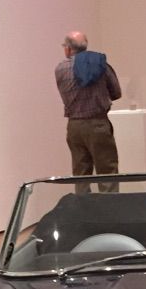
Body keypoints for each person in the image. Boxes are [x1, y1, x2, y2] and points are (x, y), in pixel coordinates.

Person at [55, 31, 122, 190]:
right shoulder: (100, 65)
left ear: (68, 49)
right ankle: (110, 205)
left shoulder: (60, 69)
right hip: (98, 124)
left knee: (81, 174)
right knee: (107, 172)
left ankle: (83, 204)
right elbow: (116, 92)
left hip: (74, 126)